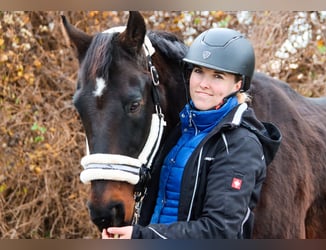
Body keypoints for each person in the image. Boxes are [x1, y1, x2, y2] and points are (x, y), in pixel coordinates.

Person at [102, 28, 282, 239]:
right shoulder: (182, 130)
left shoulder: (240, 145)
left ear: (237, 84)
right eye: (198, 71)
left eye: (217, 76)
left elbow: (220, 230)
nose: (203, 84)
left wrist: (141, 236)